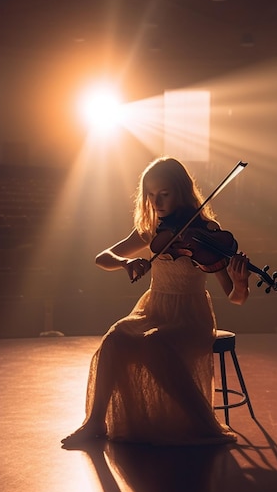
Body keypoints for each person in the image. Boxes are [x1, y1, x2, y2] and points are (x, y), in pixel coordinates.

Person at [61, 157, 250, 448]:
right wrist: (125, 263)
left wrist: (240, 283)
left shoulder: (207, 232)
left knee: (154, 343)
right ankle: (95, 422)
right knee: (114, 338)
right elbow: (103, 257)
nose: (156, 201)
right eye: (150, 194)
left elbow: (235, 299)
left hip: (189, 317)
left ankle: (202, 423)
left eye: (164, 194)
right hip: (154, 310)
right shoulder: (152, 229)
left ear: (182, 191)